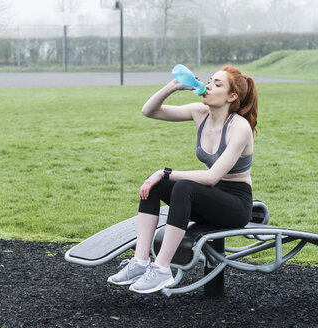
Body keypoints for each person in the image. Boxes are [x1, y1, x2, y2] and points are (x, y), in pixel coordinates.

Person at [108, 65, 258, 294]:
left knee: (182, 186)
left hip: (236, 205)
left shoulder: (239, 127)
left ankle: (161, 269)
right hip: (210, 198)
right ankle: (139, 262)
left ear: (232, 96)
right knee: (157, 184)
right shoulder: (200, 112)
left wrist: (166, 172)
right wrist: (173, 86)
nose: (208, 85)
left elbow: (211, 177)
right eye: (210, 81)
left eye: (218, 84)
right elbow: (149, 111)